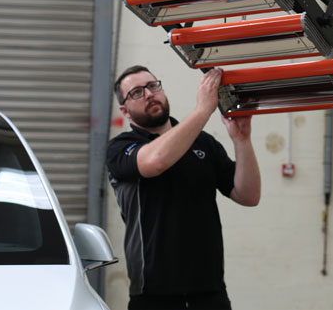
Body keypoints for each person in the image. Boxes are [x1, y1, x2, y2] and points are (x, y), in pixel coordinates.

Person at [106, 65, 261, 310]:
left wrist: (242, 140)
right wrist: (203, 110)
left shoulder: (203, 142)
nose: (149, 94)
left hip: (210, 292)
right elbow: (156, 161)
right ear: (125, 111)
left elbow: (248, 195)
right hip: (154, 295)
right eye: (136, 92)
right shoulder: (120, 147)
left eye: (152, 86)